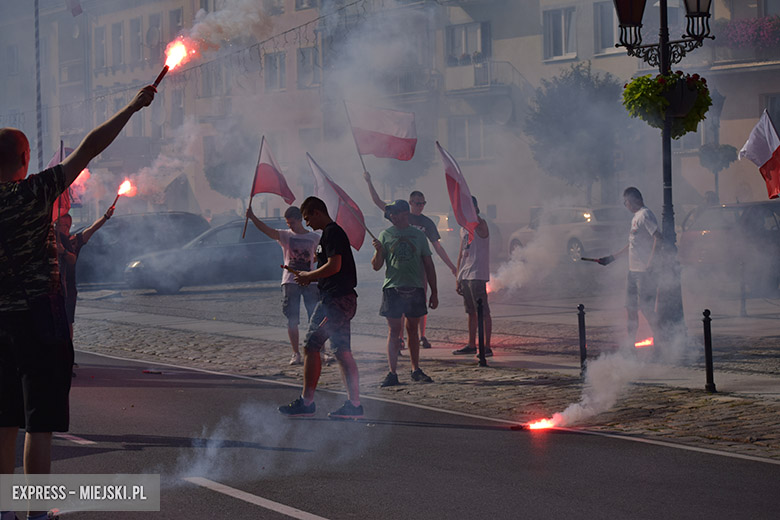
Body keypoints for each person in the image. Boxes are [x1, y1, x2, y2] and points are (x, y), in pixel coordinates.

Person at [0, 85, 154, 520]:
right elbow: (90, 146)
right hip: (39, 318)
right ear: (25, 161)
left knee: (4, 420)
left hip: (0, 321)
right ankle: (34, 511)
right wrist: (133, 105)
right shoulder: (34, 193)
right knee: (39, 422)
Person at [278, 196, 363, 419]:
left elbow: (335, 266)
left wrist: (310, 275)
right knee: (342, 351)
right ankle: (354, 405)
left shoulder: (332, 232)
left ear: (317, 212)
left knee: (311, 345)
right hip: (339, 299)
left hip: (335, 301)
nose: (307, 224)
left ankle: (307, 402)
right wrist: (310, 277)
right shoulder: (329, 234)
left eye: (307, 218)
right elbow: (330, 268)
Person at [363, 171, 456, 350]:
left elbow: (437, 246)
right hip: (399, 267)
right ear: (410, 203)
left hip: (418, 267)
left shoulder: (427, 223)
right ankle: (399, 338)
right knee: (400, 306)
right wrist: (369, 182)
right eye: (417, 203)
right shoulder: (398, 214)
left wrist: (451, 266)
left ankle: (422, 335)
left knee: (419, 301)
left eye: (423, 203)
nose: (420, 206)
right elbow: (378, 202)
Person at [372, 200, 438, 387]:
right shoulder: (385, 235)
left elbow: (428, 264)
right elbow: (377, 266)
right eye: (391, 213)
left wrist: (434, 292)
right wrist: (378, 251)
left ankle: (415, 369)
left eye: (395, 213)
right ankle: (392, 372)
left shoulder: (418, 235)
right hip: (392, 288)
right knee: (394, 331)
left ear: (405, 213)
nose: (392, 216)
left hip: (415, 287)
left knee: (412, 330)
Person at [246, 205, 320, 365]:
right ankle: (296, 353)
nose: (290, 226)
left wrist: (317, 258)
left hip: (310, 280)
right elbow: (267, 230)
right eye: (288, 223)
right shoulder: (285, 236)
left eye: (292, 223)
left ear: (300, 220)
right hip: (290, 282)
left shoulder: (315, 237)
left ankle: (320, 351)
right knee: (292, 318)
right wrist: (253, 217)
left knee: (315, 317)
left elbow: (321, 254)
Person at [597, 187, 662, 345]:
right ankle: (630, 343)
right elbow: (632, 245)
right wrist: (612, 258)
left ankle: (662, 340)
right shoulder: (635, 218)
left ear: (634, 200)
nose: (625, 204)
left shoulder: (645, 215)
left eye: (625, 201)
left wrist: (651, 263)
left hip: (644, 272)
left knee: (646, 309)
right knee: (631, 309)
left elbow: (658, 238)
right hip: (633, 272)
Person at [56, 205, 115, 339]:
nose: (59, 228)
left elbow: (92, 228)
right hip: (54, 286)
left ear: (68, 226)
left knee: (68, 319)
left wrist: (105, 216)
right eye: (57, 224)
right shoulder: (51, 239)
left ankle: (68, 351)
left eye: (62, 225)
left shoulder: (74, 240)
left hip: (69, 286)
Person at [452, 196, 493, 357]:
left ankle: (487, 346)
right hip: (466, 274)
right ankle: (471, 343)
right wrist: (458, 276)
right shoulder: (463, 228)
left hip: (477, 274)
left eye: (470, 207)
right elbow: (461, 254)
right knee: (471, 312)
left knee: (483, 311)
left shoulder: (481, 224)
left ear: (476, 208)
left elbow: (481, 228)